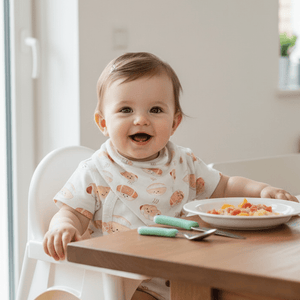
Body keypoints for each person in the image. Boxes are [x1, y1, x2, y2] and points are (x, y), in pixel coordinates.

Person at [43, 52, 298, 300]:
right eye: (125, 110)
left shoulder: (183, 162)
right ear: (103, 123)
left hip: (185, 274)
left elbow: (226, 186)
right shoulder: (95, 170)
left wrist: (262, 192)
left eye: (155, 110)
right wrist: (62, 226)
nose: (141, 119)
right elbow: (72, 213)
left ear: (174, 122)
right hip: (127, 282)